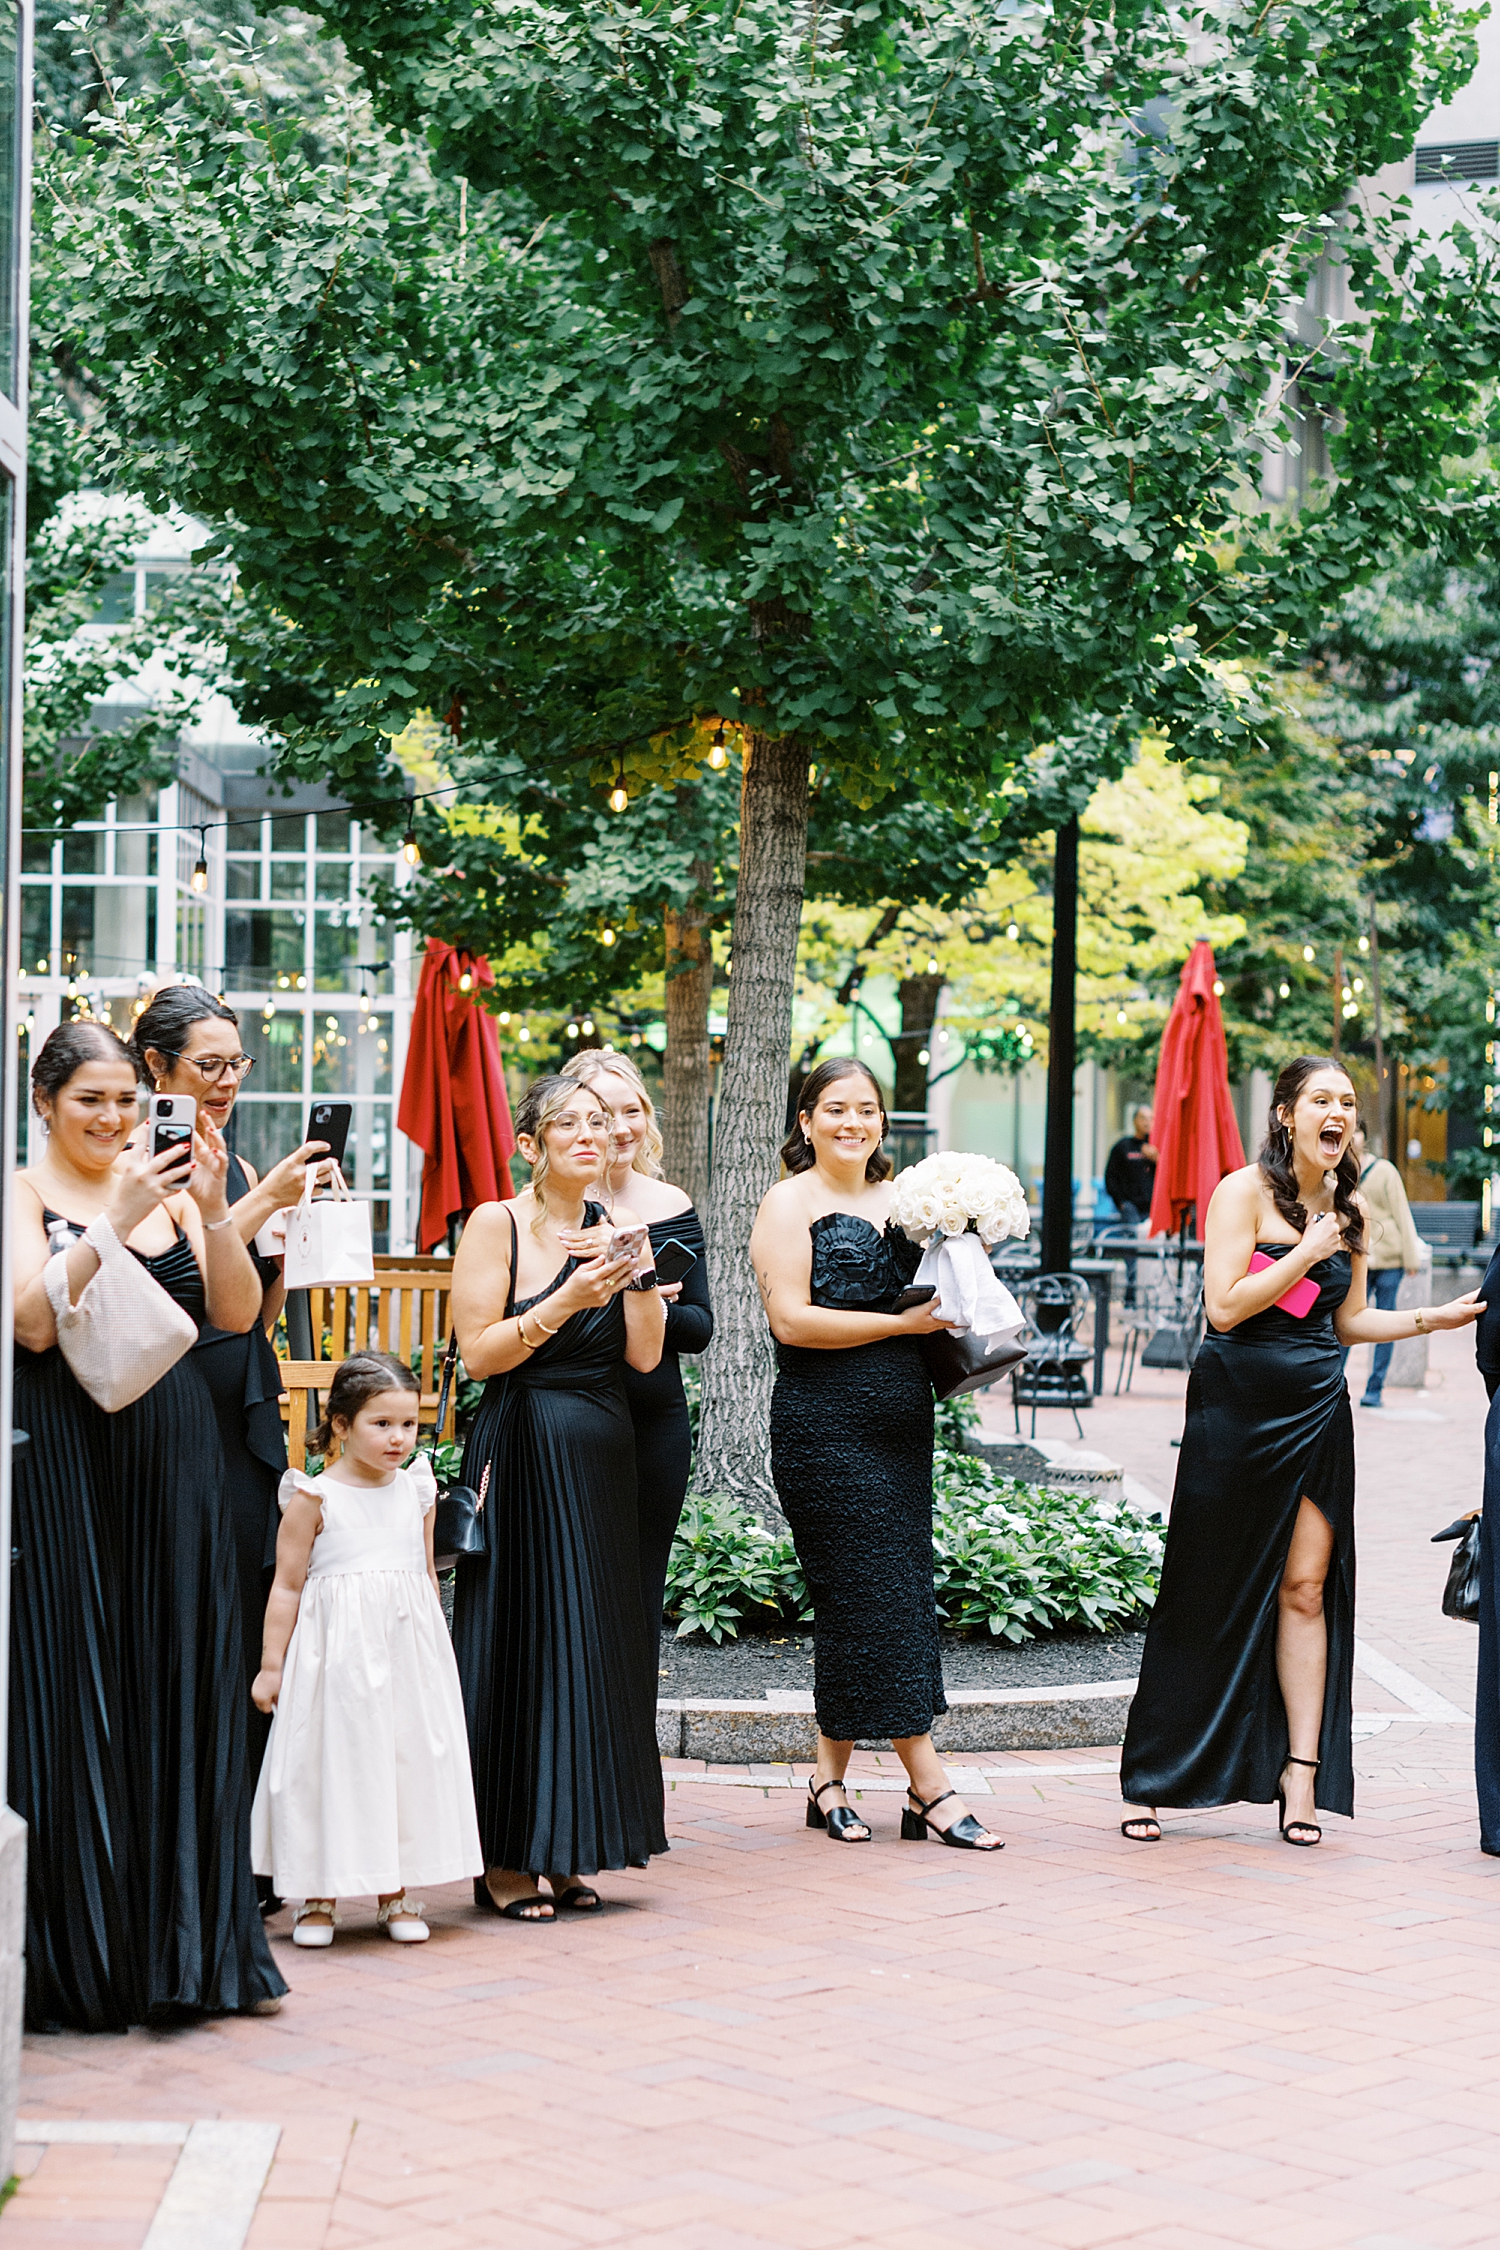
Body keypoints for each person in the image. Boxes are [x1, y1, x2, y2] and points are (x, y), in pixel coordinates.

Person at [1120, 1056, 1483, 1849]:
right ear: (1286, 1113)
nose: (1338, 1113)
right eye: (1322, 1099)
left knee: (1307, 1589)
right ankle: (1156, 1773)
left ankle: (1300, 1775)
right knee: (1202, 1583)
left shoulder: (1350, 1207)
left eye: (1348, 1103)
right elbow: (1222, 1308)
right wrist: (1303, 1250)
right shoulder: (1239, 1192)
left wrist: (1434, 1320)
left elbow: (1348, 1321)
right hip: (1233, 1410)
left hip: (1318, 1409)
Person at [11, 1020, 286, 2028]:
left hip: (174, 1453)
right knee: (83, 1683)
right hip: (67, 1461)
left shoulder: (169, 1189)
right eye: (90, 1099)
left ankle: (189, 1951)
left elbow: (235, 1313)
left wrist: (211, 1208)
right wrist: (108, 1223)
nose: (114, 1118)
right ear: (45, 1101)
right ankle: (85, 1960)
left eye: (126, 1098)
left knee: (177, 1684)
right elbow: (31, 1325)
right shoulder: (24, 1192)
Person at [749, 1057, 1003, 1851]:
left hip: (901, 1425)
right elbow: (790, 1322)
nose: (852, 1123)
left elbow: (938, 1298)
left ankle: (826, 1781)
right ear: (806, 1121)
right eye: (834, 1109)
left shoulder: (910, 1202)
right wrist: (902, 1327)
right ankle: (932, 1787)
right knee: (868, 1593)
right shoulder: (787, 1204)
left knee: (876, 1594)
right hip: (822, 1426)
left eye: (866, 1109)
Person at [451, 1075, 668, 1920]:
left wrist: (638, 1272)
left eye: (601, 1121)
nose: (592, 1133)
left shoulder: (613, 1231)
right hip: (525, 1444)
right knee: (522, 1636)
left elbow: (646, 1358)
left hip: (603, 1450)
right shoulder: (496, 1223)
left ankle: (574, 1844)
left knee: (589, 1642)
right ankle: (507, 1855)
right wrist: (564, 1300)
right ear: (531, 1146)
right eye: (569, 1123)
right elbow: (478, 1356)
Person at [133, 983, 328, 1810]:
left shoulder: (237, 1163)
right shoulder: (137, 1159)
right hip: (170, 1400)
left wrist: (287, 1237)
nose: (226, 1081)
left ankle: (244, 1830)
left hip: (240, 1390)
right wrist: (259, 1205)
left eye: (234, 1063)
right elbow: (167, 1278)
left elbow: (245, 1305)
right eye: (207, 1065)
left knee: (249, 1597)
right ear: (155, 1064)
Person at [251, 1353, 483, 1945]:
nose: (398, 1438)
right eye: (381, 1424)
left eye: (408, 1424)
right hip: (335, 1661)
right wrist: (271, 1666)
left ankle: (396, 1891)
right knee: (331, 1765)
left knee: (402, 1763)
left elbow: (426, 1574)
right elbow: (286, 1585)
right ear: (341, 1425)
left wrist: (435, 1652)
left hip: (406, 1654)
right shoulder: (313, 1496)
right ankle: (318, 1896)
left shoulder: (418, 1491)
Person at [560, 1049, 714, 1641]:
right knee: (572, 1585)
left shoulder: (671, 1205)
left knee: (641, 1588)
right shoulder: (545, 1211)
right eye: (603, 1113)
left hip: (654, 1419)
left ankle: (632, 1730)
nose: (621, 1128)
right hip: (569, 1414)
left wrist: (649, 1299)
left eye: (633, 1111)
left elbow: (699, 1327)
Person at [1341, 1122, 1422, 1409]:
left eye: (1358, 1132)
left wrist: (1411, 1258)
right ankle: (1334, 1382)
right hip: (1355, 1255)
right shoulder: (1336, 1167)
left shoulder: (1385, 1170)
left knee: (1385, 1322)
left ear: (1364, 1136)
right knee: (1345, 1322)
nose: (1353, 1138)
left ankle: (1374, 1389)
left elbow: (1401, 1212)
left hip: (1388, 1258)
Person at [1104, 1106, 1158, 1228]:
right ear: (1134, 1121)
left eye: (1151, 1118)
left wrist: (1157, 1160)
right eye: (1143, 1118)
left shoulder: (1157, 1147)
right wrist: (1121, 1202)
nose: (1147, 1122)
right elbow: (1110, 1177)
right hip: (1130, 1206)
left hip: (1153, 1206)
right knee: (1131, 1241)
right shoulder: (1123, 1147)